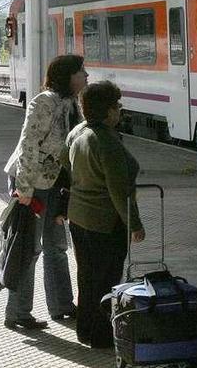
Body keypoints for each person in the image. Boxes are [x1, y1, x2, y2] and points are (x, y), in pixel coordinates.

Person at [2, 54, 88, 330]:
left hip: (54, 185)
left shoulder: (71, 104)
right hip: (32, 184)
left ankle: (62, 306)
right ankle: (17, 312)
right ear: (68, 76)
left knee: (57, 247)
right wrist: (24, 189)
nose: (86, 76)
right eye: (81, 72)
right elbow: (28, 144)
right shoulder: (44, 102)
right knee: (29, 248)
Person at [61, 80, 145, 348]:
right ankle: (100, 336)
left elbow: (65, 163)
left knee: (86, 277)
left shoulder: (77, 132)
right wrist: (135, 224)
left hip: (79, 218)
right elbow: (119, 190)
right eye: (117, 106)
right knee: (106, 280)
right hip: (105, 223)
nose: (120, 111)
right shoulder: (107, 141)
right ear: (108, 111)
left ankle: (85, 330)